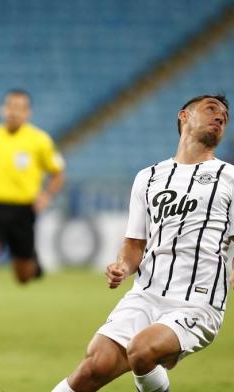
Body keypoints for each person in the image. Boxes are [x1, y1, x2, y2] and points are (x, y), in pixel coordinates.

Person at [52, 94, 232, 392]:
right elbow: (135, 243)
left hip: (197, 302)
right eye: (211, 109)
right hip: (146, 295)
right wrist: (122, 266)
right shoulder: (148, 178)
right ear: (183, 116)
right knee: (94, 366)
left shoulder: (229, 178)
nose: (220, 117)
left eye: (225, 117)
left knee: (141, 349)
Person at [0, 89, 65, 341]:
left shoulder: (40, 140)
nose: (14, 111)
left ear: (27, 112)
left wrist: (45, 196)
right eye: (11, 106)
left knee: (23, 277)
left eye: (20, 107)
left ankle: (34, 265)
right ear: (3, 109)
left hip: (23, 211)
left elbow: (58, 172)